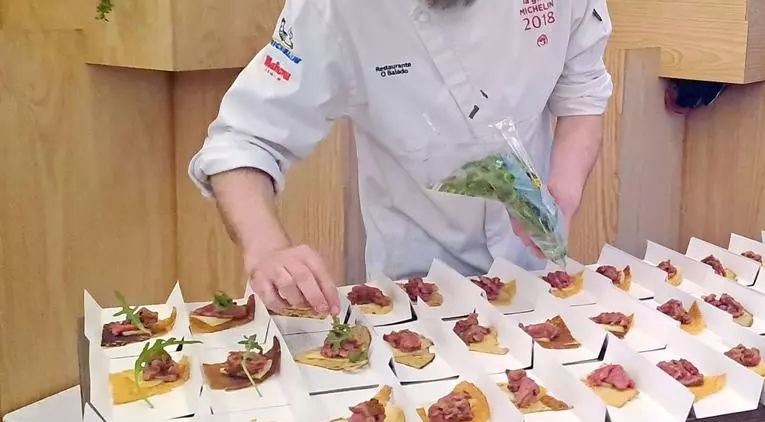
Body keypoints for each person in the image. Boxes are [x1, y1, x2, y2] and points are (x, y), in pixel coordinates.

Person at [189, 0, 613, 315]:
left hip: (532, 282)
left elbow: (582, 93)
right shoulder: (335, 9)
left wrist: (562, 193)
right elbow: (244, 140)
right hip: (412, 293)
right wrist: (267, 248)